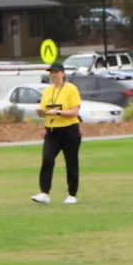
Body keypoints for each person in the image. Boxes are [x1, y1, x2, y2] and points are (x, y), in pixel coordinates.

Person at [32, 61, 83, 204]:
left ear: (63, 74)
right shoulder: (48, 90)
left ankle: (72, 194)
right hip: (52, 132)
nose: (53, 75)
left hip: (69, 130)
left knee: (71, 162)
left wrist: (59, 112)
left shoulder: (71, 89)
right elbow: (43, 109)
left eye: (56, 72)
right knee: (47, 160)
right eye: (51, 72)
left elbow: (75, 111)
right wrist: (41, 112)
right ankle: (44, 193)